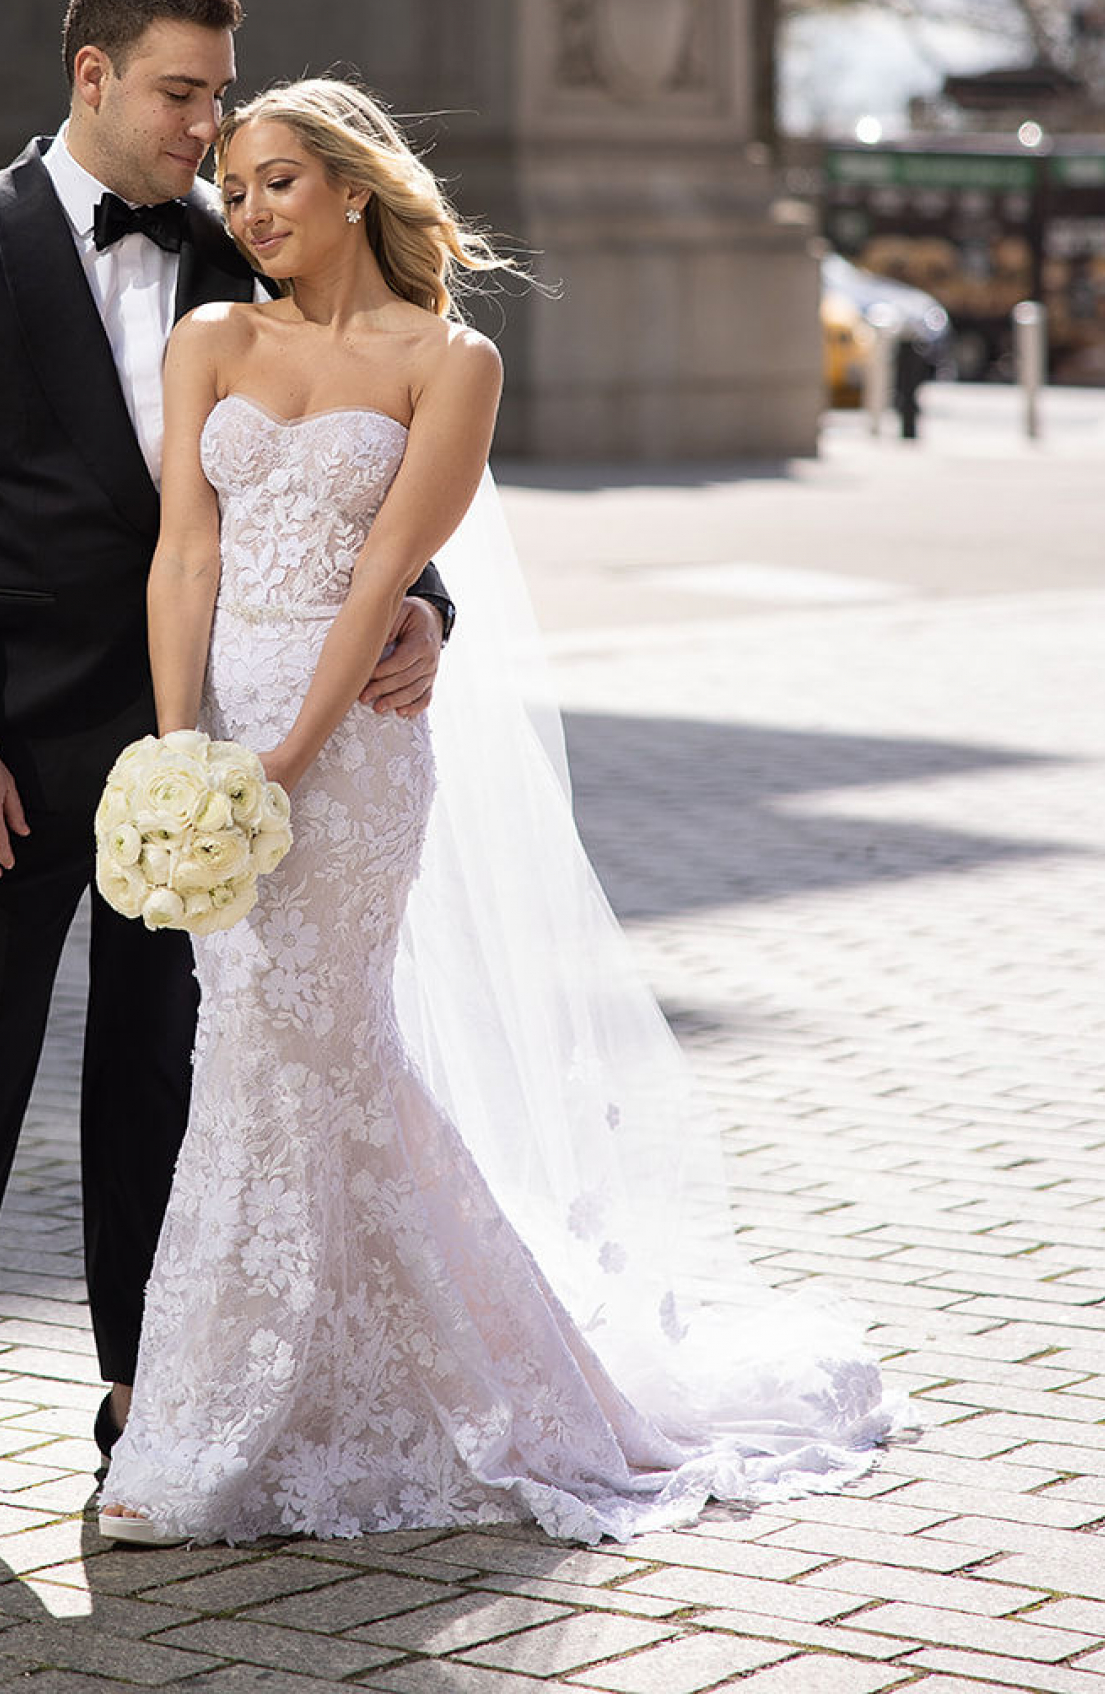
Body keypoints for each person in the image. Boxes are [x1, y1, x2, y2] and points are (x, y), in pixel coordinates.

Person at [98, 78, 900, 1548]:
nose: (250, 209)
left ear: (353, 188)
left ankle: (222, 1427)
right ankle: (244, 1405)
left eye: (279, 179)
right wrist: (178, 754)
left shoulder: (449, 362)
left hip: (348, 765)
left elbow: (387, 571)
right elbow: (182, 558)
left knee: (312, 1040)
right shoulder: (208, 336)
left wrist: (283, 761)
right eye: (234, 183)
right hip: (215, 745)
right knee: (251, 1050)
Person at [0, 0, 453, 1547]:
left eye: (220, 97)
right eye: (183, 94)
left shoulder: (240, 242)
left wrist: (428, 610)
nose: (209, 127)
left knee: (159, 1072)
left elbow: (358, 451)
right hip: (13, 752)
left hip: (222, 750)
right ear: (94, 77)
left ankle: (145, 1396)